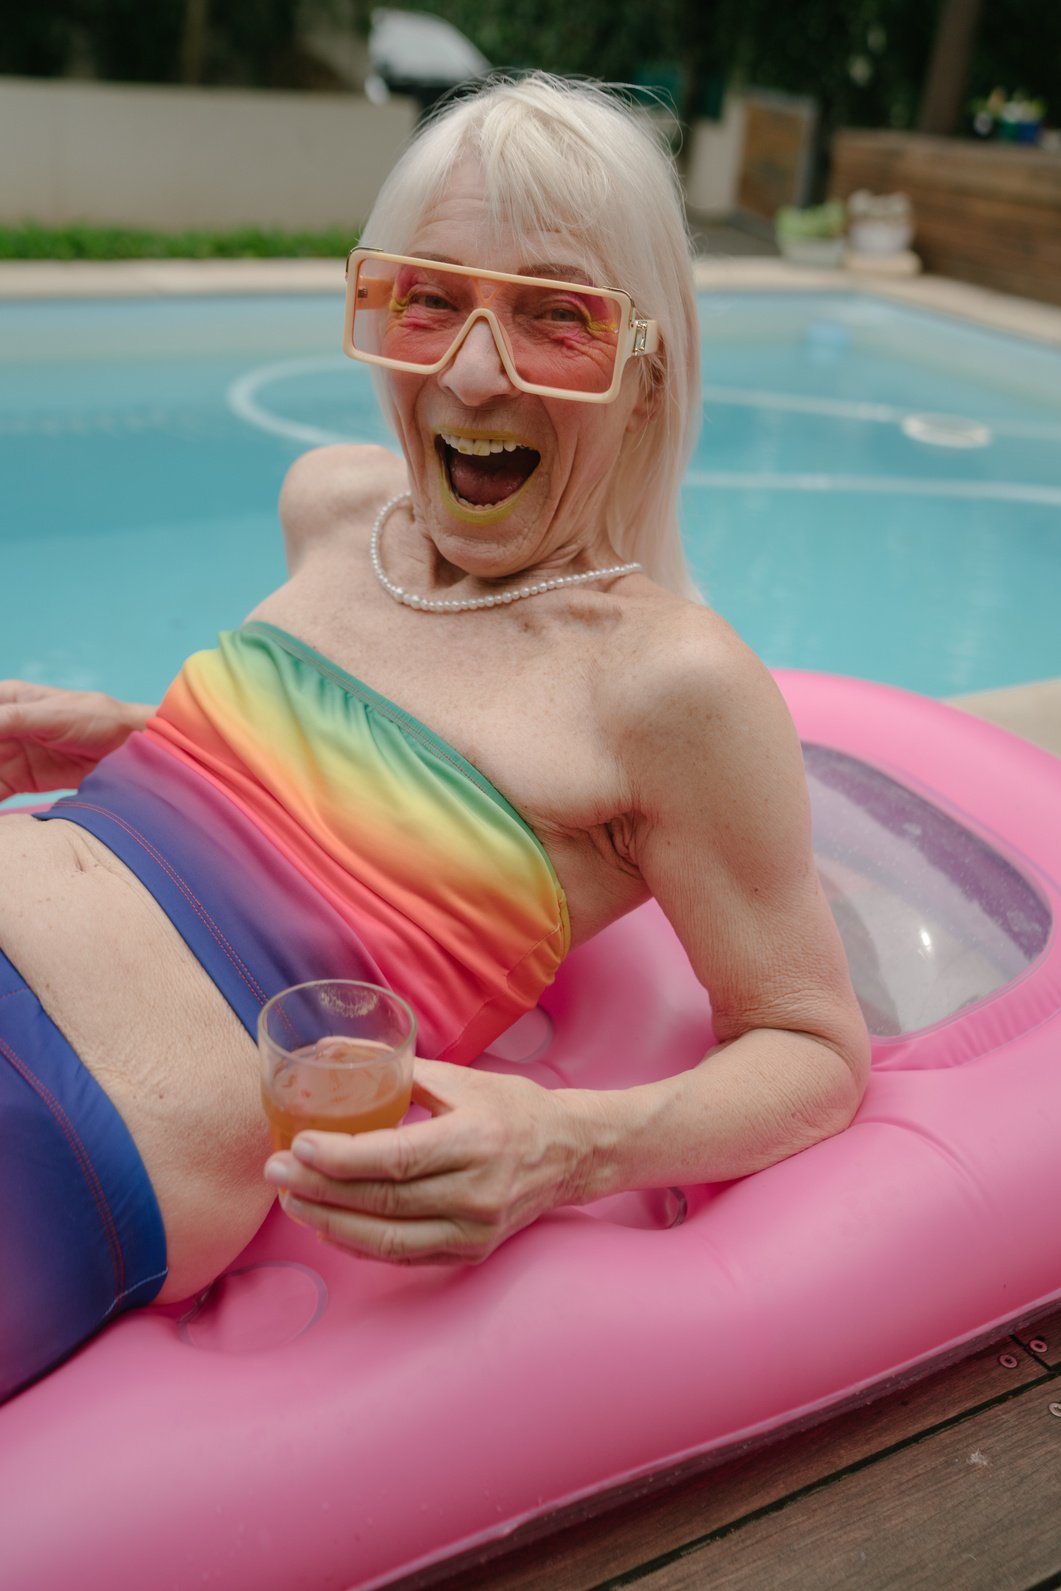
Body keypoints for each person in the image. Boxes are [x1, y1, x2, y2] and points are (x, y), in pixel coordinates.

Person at [0, 73, 869, 1403]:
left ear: (647, 371)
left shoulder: (667, 688)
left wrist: (571, 1144)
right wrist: (156, 749)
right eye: (428, 299)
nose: (471, 371)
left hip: (65, 1124)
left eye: (554, 317)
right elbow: (355, 779)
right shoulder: (335, 506)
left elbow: (812, 1050)